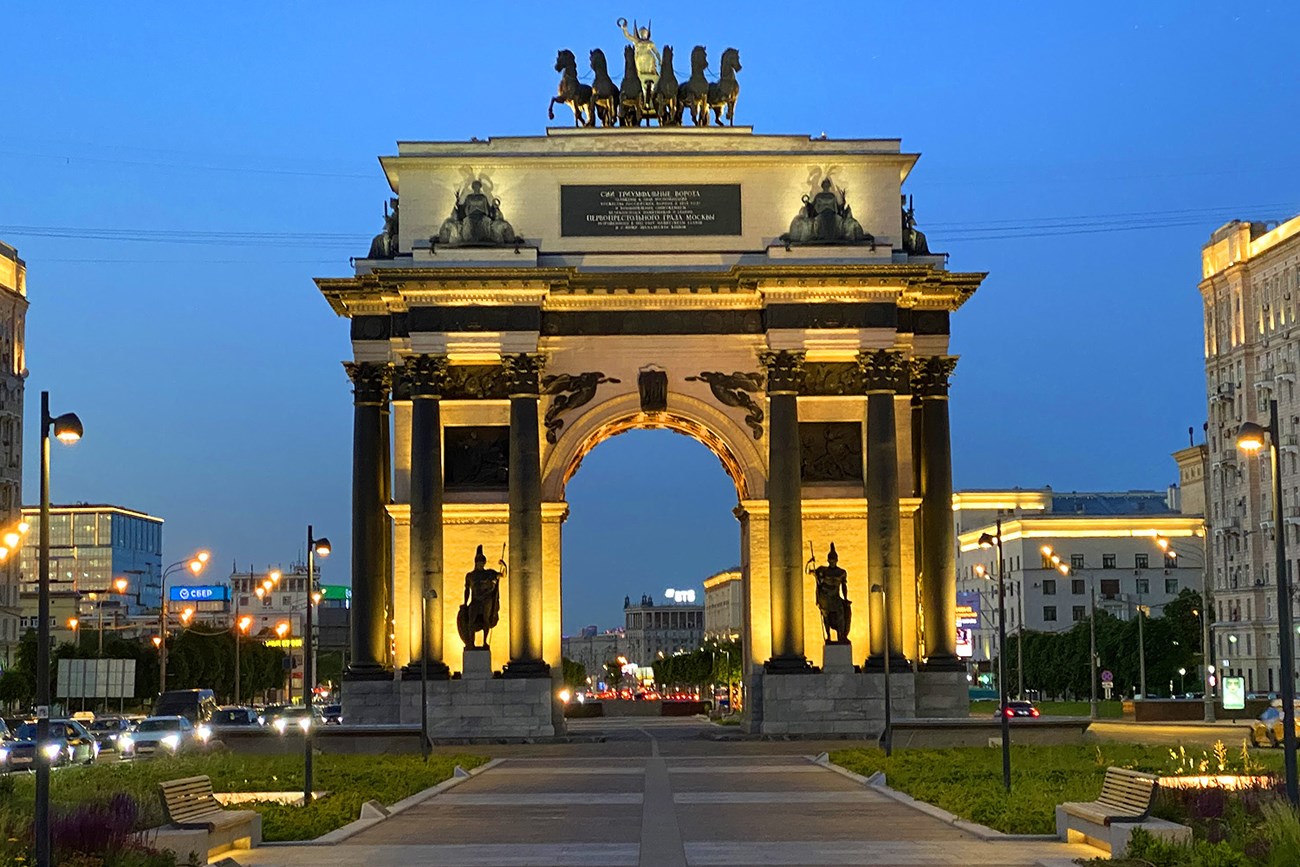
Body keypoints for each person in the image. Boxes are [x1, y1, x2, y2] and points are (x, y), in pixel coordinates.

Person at [457, 545, 503, 648]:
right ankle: (471, 643)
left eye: (482, 563)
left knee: (486, 621)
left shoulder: (489, 573)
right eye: (479, 562)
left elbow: (502, 575)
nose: (481, 564)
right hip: (475, 601)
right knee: (471, 621)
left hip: (486, 601)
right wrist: (465, 603)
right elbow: (467, 590)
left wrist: (502, 566)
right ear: (476, 563)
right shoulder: (470, 575)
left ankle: (485, 642)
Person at [810, 543, 852, 643]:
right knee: (826, 617)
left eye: (834, 560)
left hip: (835, 597)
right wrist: (810, 562)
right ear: (828, 560)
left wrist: (845, 598)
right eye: (830, 560)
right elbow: (809, 571)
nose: (832, 562)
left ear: (837, 560)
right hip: (825, 597)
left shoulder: (841, 572)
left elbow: (844, 586)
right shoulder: (823, 571)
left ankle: (841, 636)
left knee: (841, 614)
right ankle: (828, 636)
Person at [618, 17, 660, 97]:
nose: (643, 34)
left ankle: (651, 72)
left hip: (649, 59)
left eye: (645, 33)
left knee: (650, 57)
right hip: (639, 59)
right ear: (640, 34)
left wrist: (660, 59)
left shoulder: (650, 43)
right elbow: (628, 35)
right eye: (642, 33)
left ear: (647, 34)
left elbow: (656, 52)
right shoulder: (637, 41)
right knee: (639, 58)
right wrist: (624, 28)